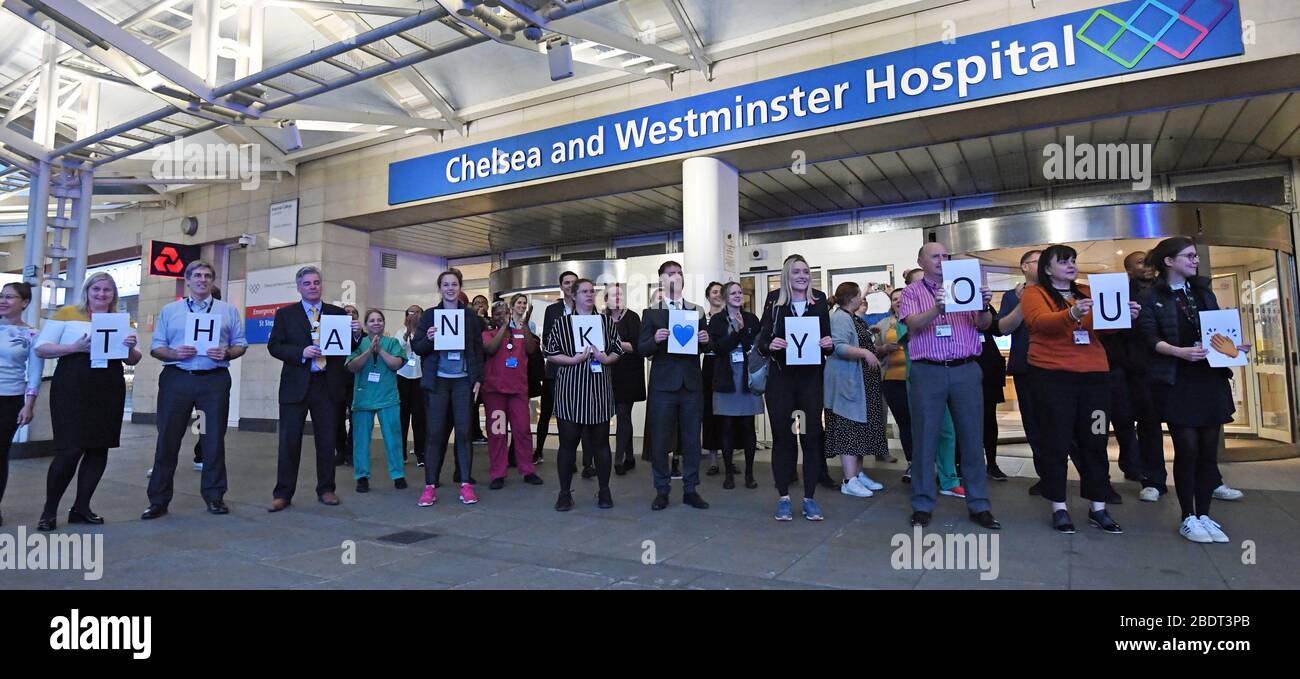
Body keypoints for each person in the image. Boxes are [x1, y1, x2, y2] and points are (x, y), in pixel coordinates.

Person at [1137, 237, 1246, 544]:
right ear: (1168, 261)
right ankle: (1188, 515)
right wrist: (1178, 351)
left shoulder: (1202, 291)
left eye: (1195, 256)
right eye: (1188, 256)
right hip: (1176, 380)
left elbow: (1218, 331)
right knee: (1187, 449)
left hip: (1209, 378)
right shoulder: (1151, 296)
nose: (1194, 260)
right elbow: (1148, 337)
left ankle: (1205, 515)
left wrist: (1233, 348)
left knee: (1208, 451)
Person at [1022, 245, 1137, 533]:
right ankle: (1058, 506)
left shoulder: (1086, 290)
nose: (1071, 265)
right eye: (1063, 262)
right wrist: (1071, 313)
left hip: (1094, 376)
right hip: (1052, 376)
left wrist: (1124, 315)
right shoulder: (1035, 293)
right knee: (1056, 441)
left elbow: (1105, 328)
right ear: (1048, 268)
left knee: (1096, 440)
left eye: (1073, 260)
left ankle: (1098, 506)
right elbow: (1040, 323)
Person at [898, 242, 1000, 529]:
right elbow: (913, 325)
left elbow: (983, 324)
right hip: (927, 371)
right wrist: (937, 307)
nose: (942, 260)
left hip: (965, 369)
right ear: (921, 261)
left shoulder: (964, 284)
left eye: (945, 256)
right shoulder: (912, 292)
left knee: (971, 438)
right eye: (936, 256)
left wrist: (982, 305)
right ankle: (922, 503)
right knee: (925, 439)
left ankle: (979, 504)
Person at [34, 272, 142, 530]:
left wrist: (129, 347)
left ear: (113, 294)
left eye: (107, 290)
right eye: (97, 290)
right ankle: (49, 511)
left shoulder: (120, 320)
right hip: (73, 383)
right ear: (87, 291)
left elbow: (133, 359)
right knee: (69, 449)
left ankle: (82, 507)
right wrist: (73, 348)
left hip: (107, 385)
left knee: (98, 447)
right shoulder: (67, 313)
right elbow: (41, 347)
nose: (101, 294)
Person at [143, 260, 247, 520]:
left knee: (213, 439)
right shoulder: (171, 310)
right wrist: (174, 353)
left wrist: (228, 352)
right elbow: (156, 348)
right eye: (197, 275)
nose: (202, 279)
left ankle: (214, 497)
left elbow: (241, 344)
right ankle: (158, 500)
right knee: (167, 438)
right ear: (187, 280)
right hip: (177, 377)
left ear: (212, 281)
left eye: (207, 276)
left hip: (214, 379)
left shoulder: (228, 311)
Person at [267, 266, 359, 511]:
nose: (312, 287)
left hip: (326, 385)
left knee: (327, 440)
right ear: (299, 287)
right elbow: (274, 346)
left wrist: (356, 335)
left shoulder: (337, 313)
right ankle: (283, 493)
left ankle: (327, 489)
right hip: (295, 385)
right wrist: (301, 352)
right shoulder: (285, 314)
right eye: (307, 283)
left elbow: (345, 349)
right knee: (289, 441)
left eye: (316, 282)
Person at [757, 254, 834, 521]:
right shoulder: (775, 301)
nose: (802, 276)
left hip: (810, 379)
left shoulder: (820, 299)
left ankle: (810, 497)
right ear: (787, 275)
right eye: (796, 272)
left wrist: (829, 344)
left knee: (811, 437)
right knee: (783, 437)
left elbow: (827, 338)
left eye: (805, 271)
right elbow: (762, 339)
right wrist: (771, 345)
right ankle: (784, 498)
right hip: (781, 380)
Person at [639, 261, 711, 511]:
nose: (676, 277)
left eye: (679, 273)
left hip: (691, 383)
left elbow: (706, 346)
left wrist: (705, 339)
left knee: (692, 439)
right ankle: (662, 489)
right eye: (670, 274)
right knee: (660, 439)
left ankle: (691, 489)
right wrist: (655, 339)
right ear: (661, 279)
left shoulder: (697, 310)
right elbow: (642, 348)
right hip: (663, 384)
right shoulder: (651, 312)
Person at [547, 279, 623, 510]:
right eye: (584, 291)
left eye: (592, 291)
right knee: (567, 445)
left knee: (601, 444)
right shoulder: (562, 323)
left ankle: (604, 491)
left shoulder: (606, 322)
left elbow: (617, 350)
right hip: (571, 390)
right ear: (574, 295)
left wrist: (605, 358)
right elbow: (550, 352)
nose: (589, 295)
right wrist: (572, 360)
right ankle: (563, 493)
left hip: (599, 390)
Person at [413, 270, 485, 507]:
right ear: (440, 288)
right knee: (435, 434)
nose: (450, 288)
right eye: (446, 284)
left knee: (464, 433)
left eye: (454, 284)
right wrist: (430, 338)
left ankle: (465, 484)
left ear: (460, 287)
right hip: (439, 381)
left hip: (463, 380)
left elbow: (477, 350)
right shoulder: (430, 316)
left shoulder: (470, 317)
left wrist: (477, 378)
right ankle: (429, 487)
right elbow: (418, 348)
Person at [897, 267, 961, 495]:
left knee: (948, 429)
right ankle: (925, 481)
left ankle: (949, 479)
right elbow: (913, 328)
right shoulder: (906, 316)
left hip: (946, 373)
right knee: (924, 430)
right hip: (920, 376)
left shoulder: (947, 309)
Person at [825, 282, 889, 498]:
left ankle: (858, 474)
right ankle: (849, 479)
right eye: (860, 296)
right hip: (849, 384)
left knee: (862, 429)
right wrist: (864, 353)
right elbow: (838, 346)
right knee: (849, 428)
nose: (863, 299)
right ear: (852, 298)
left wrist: (875, 350)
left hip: (864, 383)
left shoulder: (853, 317)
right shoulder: (840, 318)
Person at [482, 299, 543, 489]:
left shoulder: (521, 332)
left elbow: (531, 349)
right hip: (495, 393)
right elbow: (490, 349)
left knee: (523, 431)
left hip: (518, 391)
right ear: (493, 317)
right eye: (497, 313)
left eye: (504, 312)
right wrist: (504, 327)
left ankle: (528, 470)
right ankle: (498, 473)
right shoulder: (487, 334)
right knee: (498, 433)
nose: (501, 316)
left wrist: (523, 324)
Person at [707, 282, 762, 489]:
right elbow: (719, 348)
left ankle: (749, 473)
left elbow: (756, 345)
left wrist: (743, 334)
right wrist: (737, 333)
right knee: (727, 426)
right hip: (726, 377)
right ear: (724, 297)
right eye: (733, 293)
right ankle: (729, 473)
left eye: (740, 292)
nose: (738, 295)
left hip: (747, 377)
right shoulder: (717, 321)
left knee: (748, 426)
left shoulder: (751, 319)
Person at [345, 310, 408, 493]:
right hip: (363, 398)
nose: (376, 323)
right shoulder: (359, 343)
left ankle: (398, 475)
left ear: (384, 323)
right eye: (372, 320)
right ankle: (362, 477)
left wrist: (379, 350)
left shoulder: (392, 343)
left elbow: (396, 364)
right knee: (361, 440)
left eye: (379, 320)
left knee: (393, 438)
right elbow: (352, 366)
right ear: (366, 324)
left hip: (387, 397)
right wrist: (368, 351)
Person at [0, 282, 42, 527]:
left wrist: (29, 404)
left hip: (10, 398)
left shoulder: (32, 335)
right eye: (1, 296)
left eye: (10, 297)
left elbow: (34, 374)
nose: (3, 301)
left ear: (24, 302)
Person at [537, 271, 578, 465]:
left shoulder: (587, 308)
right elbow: (546, 339)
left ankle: (576, 459)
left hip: (580, 371)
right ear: (561, 287)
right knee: (547, 412)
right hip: (555, 371)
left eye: (573, 283)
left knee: (573, 415)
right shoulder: (552, 310)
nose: (570, 286)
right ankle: (538, 451)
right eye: (566, 283)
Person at [873, 288, 912, 479]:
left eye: (901, 298)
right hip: (892, 381)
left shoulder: (917, 319)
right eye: (895, 298)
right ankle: (913, 463)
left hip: (916, 379)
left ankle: (933, 463)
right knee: (904, 423)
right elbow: (875, 351)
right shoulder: (883, 324)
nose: (898, 301)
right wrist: (884, 348)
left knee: (922, 423)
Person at [605, 284, 644, 475]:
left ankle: (618, 459)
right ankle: (629, 456)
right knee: (623, 416)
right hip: (607, 373)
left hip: (629, 373)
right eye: (613, 295)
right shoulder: (602, 318)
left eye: (620, 294)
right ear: (606, 299)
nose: (618, 297)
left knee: (623, 414)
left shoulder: (632, 317)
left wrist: (615, 343)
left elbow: (639, 346)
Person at [975, 323, 1008, 481]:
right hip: (965, 363)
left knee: (989, 419)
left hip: (988, 366)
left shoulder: (984, 306)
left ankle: (992, 463)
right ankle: (963, 462)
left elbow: (998, 329)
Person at [397, 304, 427, 467]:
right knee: (402, 416)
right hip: (403, 377)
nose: (414, 315)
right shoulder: (400, 332)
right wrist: (408, 331)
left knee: (419, 417)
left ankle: (420, 452)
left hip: (420, 377)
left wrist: (416, 332)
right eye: (411, 313)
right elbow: (399, 349)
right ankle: (401, 452)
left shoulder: (425, 333)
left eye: (417, 313)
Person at [702, 281, 724, 476]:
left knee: (729, 412)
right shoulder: (703, 319)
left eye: (720, 291)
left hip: (729, 365)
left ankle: (729, 456)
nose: (718, 295)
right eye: (714, 292)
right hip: (709, 366)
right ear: (708, 296)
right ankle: (712, 459)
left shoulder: (733, 317)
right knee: (709, 412)